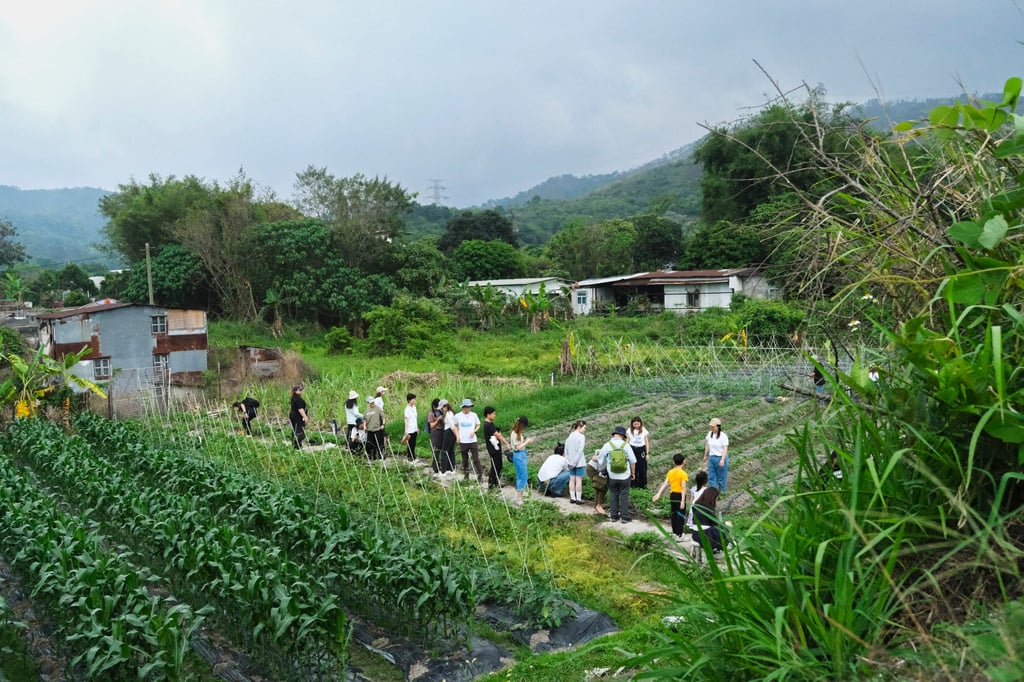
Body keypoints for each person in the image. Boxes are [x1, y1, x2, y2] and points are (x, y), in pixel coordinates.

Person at [597, 426, 637, 523]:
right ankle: (624, 517)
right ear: (622, 436)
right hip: (625, 476)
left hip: (612, 476)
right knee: (624, 495)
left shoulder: (607, 445)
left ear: (614, 434)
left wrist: (603, 470)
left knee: (613, 494)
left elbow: (601, 461)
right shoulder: (626, 445)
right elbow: (632, 461)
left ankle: (614, 516)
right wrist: (633, 473)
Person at [652, 453, 689, 539]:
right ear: (684, 461)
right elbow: (683, 488)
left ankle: (674, 532)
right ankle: (679, 535)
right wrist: (682, 501)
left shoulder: (670, 472)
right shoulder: (683, 474)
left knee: (674, 513)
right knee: (680, 515)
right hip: (680, 496)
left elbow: (665, 484)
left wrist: (658, 494)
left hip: (673, 495)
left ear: (673, 462)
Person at [483, 406, 511, 489]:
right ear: (488, 414)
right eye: (493, 414)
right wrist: (507, 443)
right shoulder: (488, 425)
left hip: (494, 448)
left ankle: (494, 483)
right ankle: (492, 484)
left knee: (497, 465)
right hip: (494, 449)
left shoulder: (489, 424)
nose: (494, 415)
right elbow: (498, 436)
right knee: (496, 466)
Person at [508, 416, 535, 504]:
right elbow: (518, 447)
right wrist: (527, 442)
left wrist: (525, 440)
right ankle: (519, 498)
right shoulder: (515, 434)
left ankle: (520, 496)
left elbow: (519, 444)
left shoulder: (517, 433)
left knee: (521, 475)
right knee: (523, 476)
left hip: (521, 455)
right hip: (519, 455)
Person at [690, 485, 723, 554]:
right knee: (723, 528)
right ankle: (719, 548)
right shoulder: (708, 508)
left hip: (695, 534)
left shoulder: (696, 505)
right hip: (705, 535)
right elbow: (715, 523)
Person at [456, 398, 482, 482]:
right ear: (463, 407)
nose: (468, 408)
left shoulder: (474, 415)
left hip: (473, 440)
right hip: (463, 440)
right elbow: (455, 427)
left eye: (469, 407)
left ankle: (480, 475)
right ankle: (466, 475)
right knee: (465, 459)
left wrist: (474, 431)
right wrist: (457, 436)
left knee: (476, 459)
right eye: (466, 407)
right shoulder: (458, 416)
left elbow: (478, 424)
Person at [703, 417, 729, 494]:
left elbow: (725, 448)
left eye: (713, 427)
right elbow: (707, 445)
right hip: (712, 458)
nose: (712, 428)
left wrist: (722, 459)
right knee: (711, 476)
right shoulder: (709, 434)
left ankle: (722, 492)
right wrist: (705, 456)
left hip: (720, 457)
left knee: (721, 477)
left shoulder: (723, 436)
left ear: (718, 426)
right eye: (711, 427)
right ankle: (713, 493)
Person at [563, 420, 587, 504]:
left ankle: (572, 497)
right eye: (584, 428)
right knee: (578, 480)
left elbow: (566, 451)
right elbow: (580, 451)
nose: (585, 430)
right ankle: (578, 499)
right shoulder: (581, 437)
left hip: (570, 462)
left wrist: (569, 462)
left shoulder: (570, 436)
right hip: (579, 462)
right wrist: (574, 462)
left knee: (572, 479)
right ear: (580, 426)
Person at [626, 416, 651, 489]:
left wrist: (647, 453)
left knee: (642, 467)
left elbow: (646, 442)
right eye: (635, 424)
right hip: (632, 449)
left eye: (638, 424)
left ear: (640, 424)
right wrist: (626, 451)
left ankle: (642, 485)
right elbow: (627, 441)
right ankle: (633, 484)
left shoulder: (644, 430)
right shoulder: (629, 431)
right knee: (633, 466)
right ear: (632, 424)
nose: (636, 425)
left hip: (641, 449)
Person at [364, 396, 386, 460]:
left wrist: (383, 424)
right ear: (368, 403)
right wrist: (365, 427)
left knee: (379, 443)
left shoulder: (378, 408)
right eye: (371, 403)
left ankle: (381, 456)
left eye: (373, 402)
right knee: (370, 444)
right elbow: (364, 420)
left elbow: (383, 417)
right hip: (370, 430)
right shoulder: (366, 410)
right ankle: (372, 457)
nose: (372, 404)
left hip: (377, 429)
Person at [439, 399, 457, 474]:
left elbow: (452, 426)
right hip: (452, 433)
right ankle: (451, 468)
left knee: (444, 451)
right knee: (451, 451)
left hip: (449, 432)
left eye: (442, 408)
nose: (441, 410)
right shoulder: (451, 413)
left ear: (445, 407)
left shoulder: (448, 414)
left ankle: (443, 470)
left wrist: (457, 435)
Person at [428, 398, 446, 470]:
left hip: (442, 431)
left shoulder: (441, 411)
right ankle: (435, 467)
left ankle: (442, 465)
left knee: (443, 449)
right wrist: (438, 420)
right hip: (435, 432)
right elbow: (431, 426)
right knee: (436, 450)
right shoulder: (431, 414)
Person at [289, 385, 309, 449]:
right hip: (297, 416)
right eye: (300, 390)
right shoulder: (298, 399)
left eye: (301, 390)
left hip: (293, 415)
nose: (301, 391)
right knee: (300, 431)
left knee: (295, 429)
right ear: (295, 391)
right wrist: (305, 417)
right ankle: (297, 445)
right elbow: (300, 409)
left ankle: (295, 444)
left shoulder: (293, 398)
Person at [403, 393, 419, 461]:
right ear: (409, 400)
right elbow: (406, 420)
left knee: (414, 443)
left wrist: (417, 427)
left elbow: (415, 418)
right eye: (413, 399)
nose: (415, 401)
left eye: (415, 399)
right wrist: (406, 430)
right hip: (410, 429)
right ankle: (410, 457)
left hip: (414, 428)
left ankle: (413, 456)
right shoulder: (407, 409)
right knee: (410, 443)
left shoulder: (414, 407)